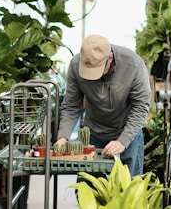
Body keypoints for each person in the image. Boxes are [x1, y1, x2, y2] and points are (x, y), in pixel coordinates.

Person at [54, 34, 151, 176]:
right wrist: (63, 137)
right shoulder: (75, 65)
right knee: (89, 190)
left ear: (109, 58)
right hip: (92, 136)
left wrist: (121, 142)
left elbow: (140, 107)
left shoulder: (134, 65)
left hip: (126, 135)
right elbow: (71, 105)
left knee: (127, 191)